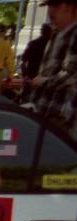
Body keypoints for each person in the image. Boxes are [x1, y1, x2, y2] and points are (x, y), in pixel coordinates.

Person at [28, 0, 77, 139]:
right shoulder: (57, 34)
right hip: (45, 112)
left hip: (62, 116)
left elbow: (71, 75)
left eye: (54, 5)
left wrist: (41, 82)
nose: (50, 11)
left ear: (69, 6)